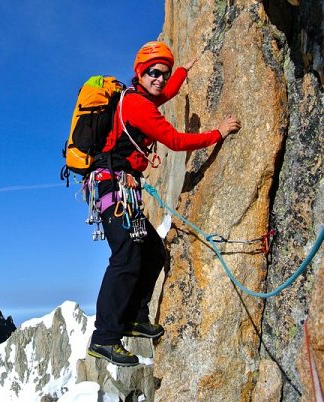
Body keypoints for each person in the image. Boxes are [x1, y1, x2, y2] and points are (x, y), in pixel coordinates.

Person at [86, 41, 241, 366]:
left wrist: (185, 69)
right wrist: (218, 133)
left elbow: (165, 93)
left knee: (153, 251)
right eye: (153, 72)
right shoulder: (138, 107)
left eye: (164, 72)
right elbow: (174, 140)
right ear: (140, 73)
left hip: (121, 188)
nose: (159, 78)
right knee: (126, 258)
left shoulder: (140, 98)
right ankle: (104, 338)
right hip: (112, 188)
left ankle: (134, 318)